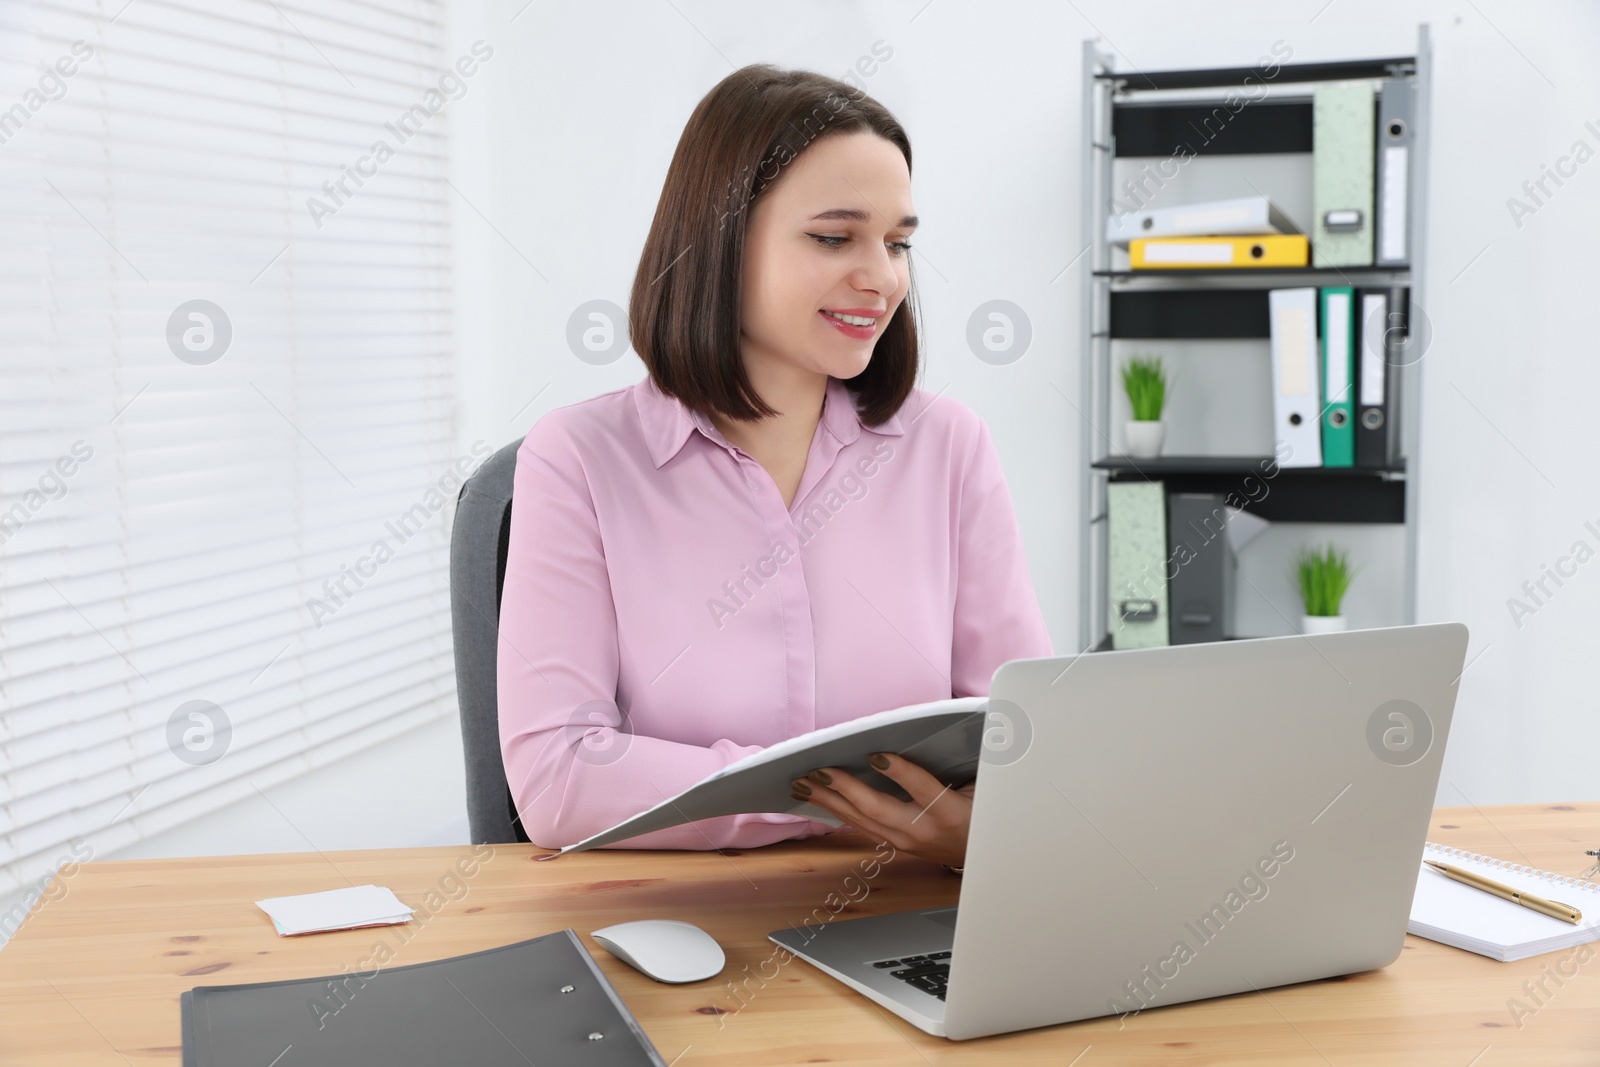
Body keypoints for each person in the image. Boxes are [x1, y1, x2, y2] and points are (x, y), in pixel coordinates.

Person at [497, 64, 1051, 870]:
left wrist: (986, 828)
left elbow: (1024, 733)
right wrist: (832, 807)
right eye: (835, 237)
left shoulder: (949, 446)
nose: (884, 277)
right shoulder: (580, 459)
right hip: (677, 916)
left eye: (898, 243)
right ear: (719, 239)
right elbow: (556, 778)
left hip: (906, 905)